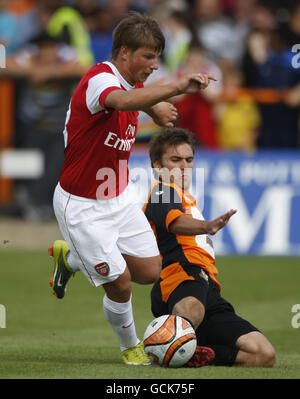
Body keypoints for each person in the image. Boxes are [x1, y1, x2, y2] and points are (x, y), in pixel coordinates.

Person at [49, 11, 216, 366]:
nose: (155, 65)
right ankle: (131, 348)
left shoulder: (129, 84)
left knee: (149, 272)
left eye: (157, 56)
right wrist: (176, 88)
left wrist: (154, 109)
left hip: (119, 197)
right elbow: (120, 101)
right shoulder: (99, 79)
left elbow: (132, 95)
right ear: (124, 52)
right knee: (121, 283)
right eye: (148, 56)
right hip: (82, 206)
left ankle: (73, 258)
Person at [143, 127, 276, 367]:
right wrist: (208, 226)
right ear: (157, 166)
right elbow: (174, 222)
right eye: (175, 160)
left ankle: (192, 353)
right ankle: (165, 343)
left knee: (263, 354)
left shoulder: (185, 197)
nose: (184, 165)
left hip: (207, 287)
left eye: (189, 159)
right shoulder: (162, 189)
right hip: (179, 276)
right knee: (192, 307)